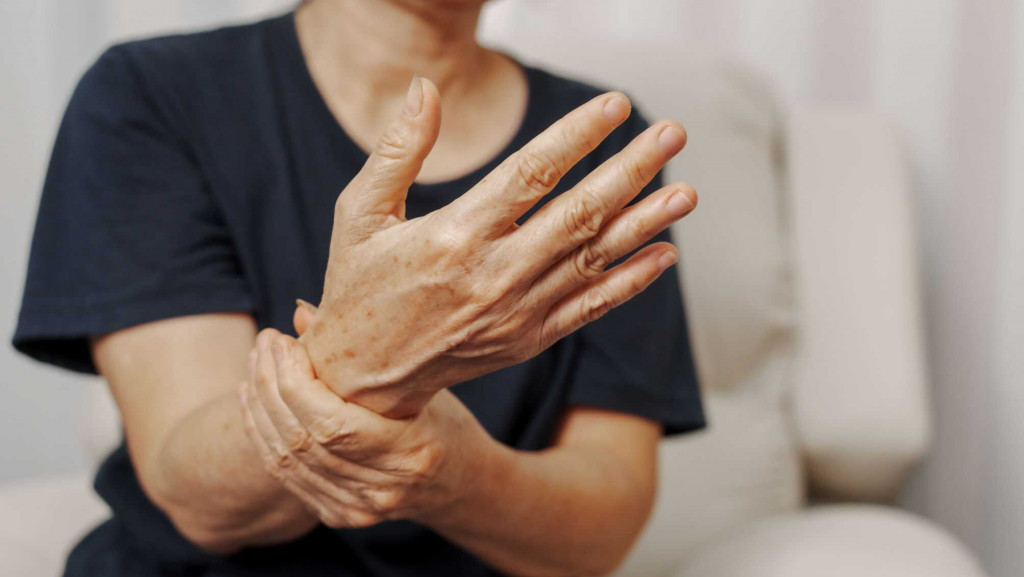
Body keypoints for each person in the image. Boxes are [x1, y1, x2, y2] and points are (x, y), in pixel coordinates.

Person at [12, 0, 704, 575]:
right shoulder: (152, 92)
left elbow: (598, 537)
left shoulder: (602, 144)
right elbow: (198, 500)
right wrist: (373, 361)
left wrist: (453, 473)